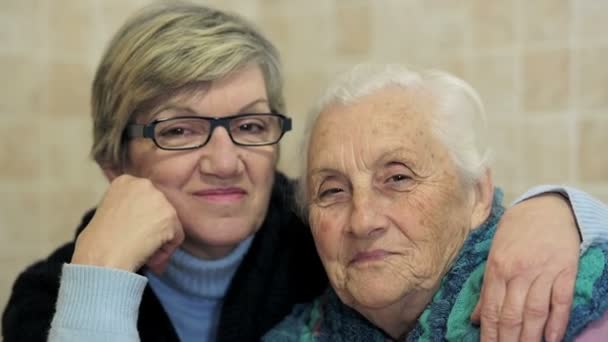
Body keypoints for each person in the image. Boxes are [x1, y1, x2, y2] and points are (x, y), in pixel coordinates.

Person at [1, 3, 607, 342]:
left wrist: (560, 209)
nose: (224, 160)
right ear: (116, 162)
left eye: (250, 124)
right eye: (179, 130)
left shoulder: (328, 231)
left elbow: (460, 222)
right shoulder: (50, 298)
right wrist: (101, 276)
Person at [264, 64, 608, 341]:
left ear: (477, 195)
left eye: (398, 178)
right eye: (332, 191)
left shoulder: (569, 302)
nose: (363, 221)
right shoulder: (294, 334)